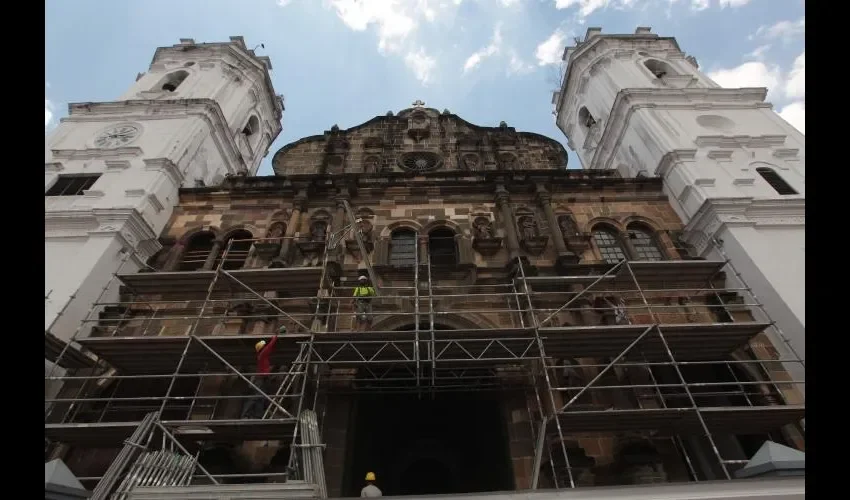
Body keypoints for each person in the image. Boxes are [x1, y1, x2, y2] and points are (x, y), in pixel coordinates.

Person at [240, 329, 279, 419]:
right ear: (261, 348)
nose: (265, 346)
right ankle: (245, 414)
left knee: (261, 397)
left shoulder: (263, 356)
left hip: (263, 379)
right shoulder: (262, 354)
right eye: (263, 346)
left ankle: (258, 415)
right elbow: (270, 346)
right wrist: (275, 336)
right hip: (260, 379)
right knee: (256, 396)